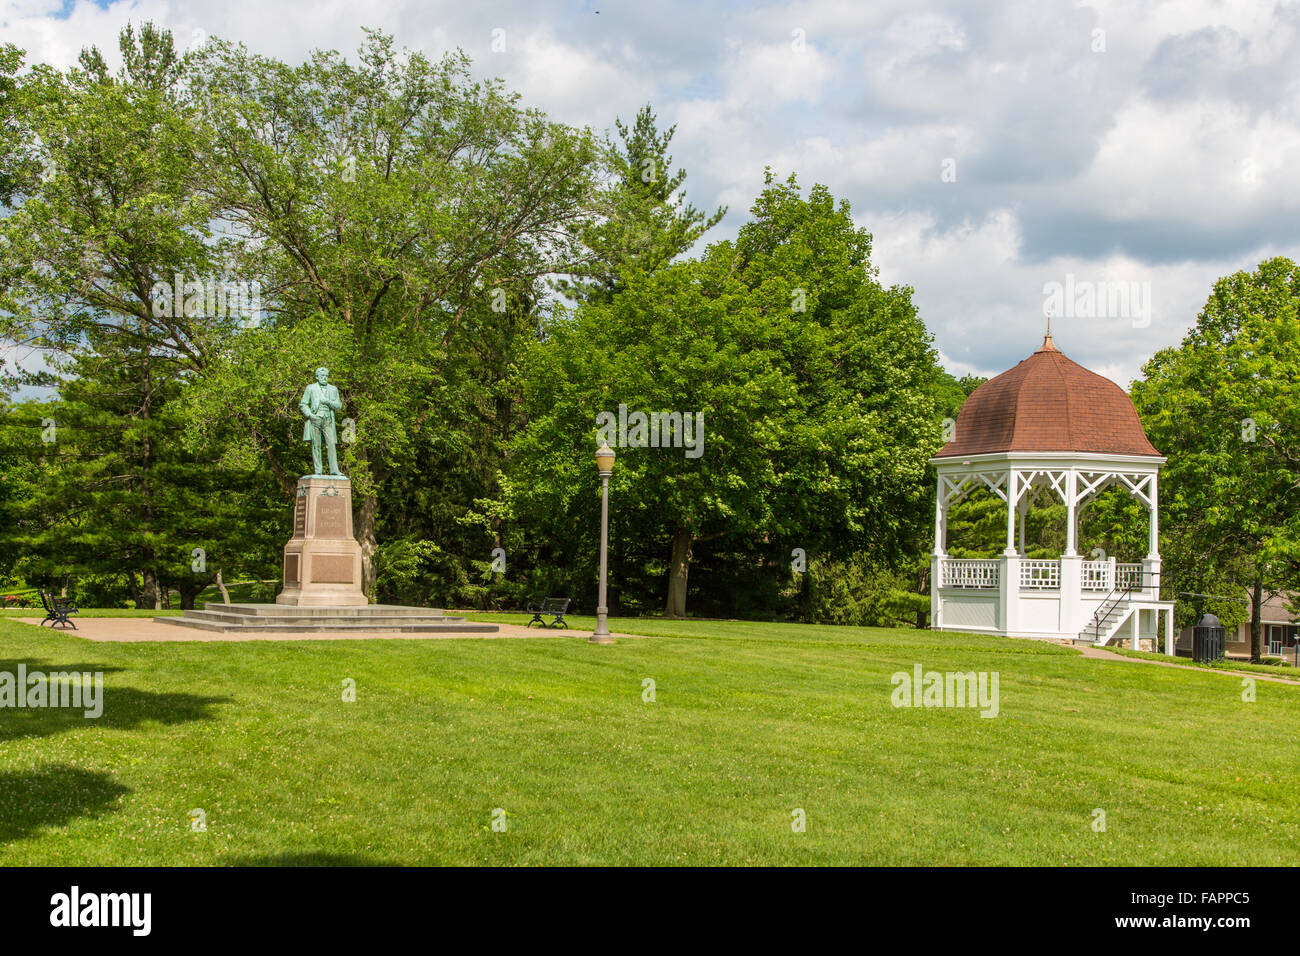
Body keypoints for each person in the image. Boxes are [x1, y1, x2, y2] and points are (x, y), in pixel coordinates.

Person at [300, 367, 344, 476]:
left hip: (328, 419)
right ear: (317, 377)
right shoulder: (310, 388)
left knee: (331, 444)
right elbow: (303, 404)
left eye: (326, 376)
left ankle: (334, 470)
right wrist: (310, 415)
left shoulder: (333, 389)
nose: (324, 378)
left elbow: (339, 405)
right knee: (316, 445)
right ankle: (318, 470)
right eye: (322, 376)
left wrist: (328, 402)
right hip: (315, 418)